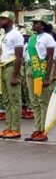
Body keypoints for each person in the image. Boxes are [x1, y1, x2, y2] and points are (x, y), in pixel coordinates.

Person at [23, 16, 56, 141]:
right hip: (31, 69)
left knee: (42, 101)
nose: (33, 24)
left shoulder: (48, 38)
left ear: (42, 25)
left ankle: (43, 130)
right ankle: (37, 129)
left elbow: (50, 59)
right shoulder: (32, 38)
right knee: (34, 101)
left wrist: (48, 77)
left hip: (42, 70)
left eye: (36, 23)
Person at [0, 11, 24, 139]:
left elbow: (19, 56)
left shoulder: (16, 35)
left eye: (3, 19)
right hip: (3, 67)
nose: (0, 21)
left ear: (10, 21)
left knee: (14, 99)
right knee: (7, 100)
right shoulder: (4, 34)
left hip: (11, 67)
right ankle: (8, 127)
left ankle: (15, 128)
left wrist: (15, 75)